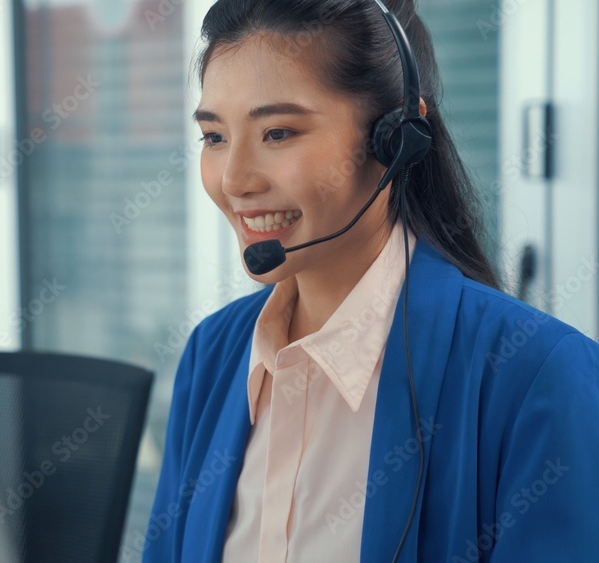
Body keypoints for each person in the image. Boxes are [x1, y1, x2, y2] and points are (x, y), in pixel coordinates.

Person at [143, 1, 599, 562]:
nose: (234, 179)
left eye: (278, 132)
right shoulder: (212, 357)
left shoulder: (538, 376)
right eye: (214, 137)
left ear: (396, 138)